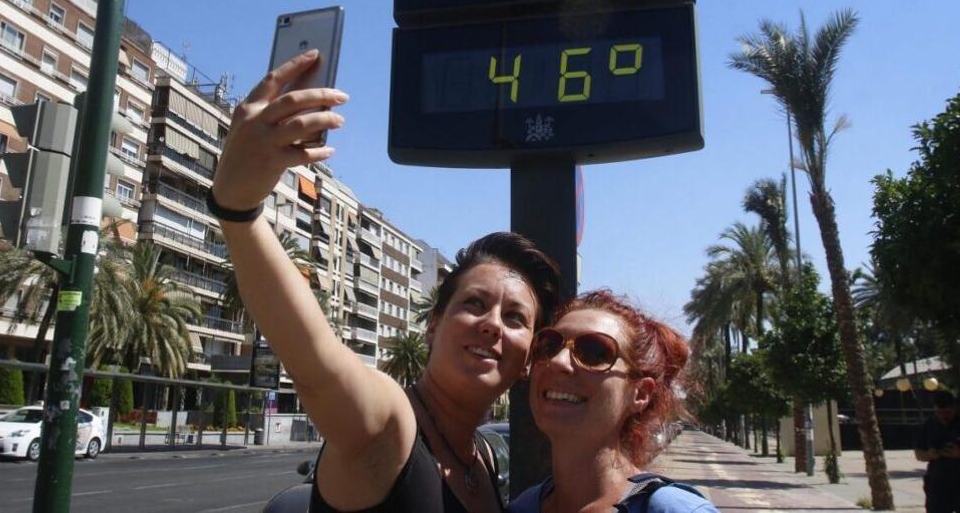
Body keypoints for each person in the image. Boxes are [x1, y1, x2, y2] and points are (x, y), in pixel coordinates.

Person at [212, 49, 561, 512]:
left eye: (516, 317)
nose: (493, 323)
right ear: (433, 325)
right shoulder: (390, 427)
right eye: (475, 303)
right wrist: (240, 212)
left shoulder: (480, 463)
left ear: (527, 362)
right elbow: (319, 368)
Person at [510, 290, 718, 513]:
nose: (558, 362)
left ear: (640, 394)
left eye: (594, 352)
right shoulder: (522, 507)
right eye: (549, 346)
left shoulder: (675, 509)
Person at [914, 390, 960, 513]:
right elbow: (918, 453)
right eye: (940, 412)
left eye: (948, 412)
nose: (944, 416)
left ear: (954, 408)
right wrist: (930, 455)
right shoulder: (929, 425)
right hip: (938, 486)